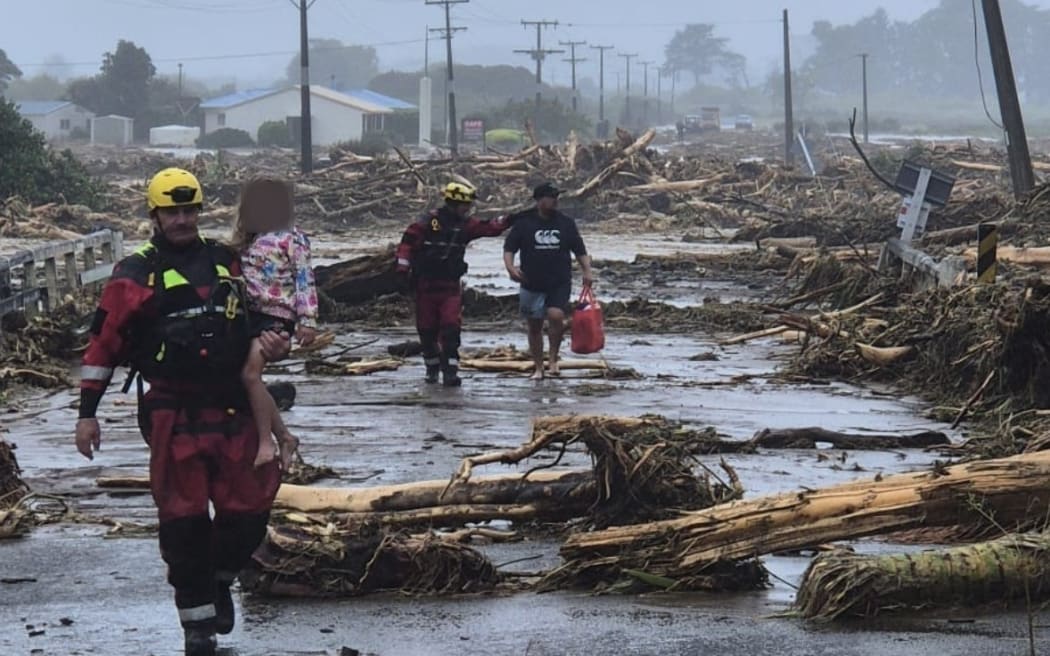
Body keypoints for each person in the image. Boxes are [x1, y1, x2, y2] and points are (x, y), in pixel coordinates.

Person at [75, 167, 290, 656]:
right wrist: (87, 414)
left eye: (190, 209)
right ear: (154, 214)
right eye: (172, 211)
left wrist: (275, 338)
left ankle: (220, 579)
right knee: (184, 520)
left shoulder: (228, 261)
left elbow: (260, 313)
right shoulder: (134, 273)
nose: (182, 219)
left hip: (233, 406)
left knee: (251, 507)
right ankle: (198, 628)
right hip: (173, 412)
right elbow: (102, 345)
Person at [230, 176, 318, 470]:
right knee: (249, 378)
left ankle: (267, 442)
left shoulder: (293, 238)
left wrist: (307, 320)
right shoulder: (250, 239)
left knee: (250, 376)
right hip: (250, 315)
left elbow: (305, 279)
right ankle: (284, 436)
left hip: (278, 315)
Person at [395, 182, 514, 386]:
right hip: (425, 286)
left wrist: (513, 219)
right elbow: (406, 246)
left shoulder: (465, 225)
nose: (468, 209)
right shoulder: (426, 223)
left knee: (451, 329)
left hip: (450, 287)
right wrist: (401, 272)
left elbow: (490, 228)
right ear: (453, 203)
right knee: (427, 330)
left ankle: (450, 371)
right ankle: (432, 368)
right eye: (465, 205)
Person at [503, 182, 594, 380]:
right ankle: (538, 367)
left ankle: (553, 360)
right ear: (539, 200)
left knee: (555, 316)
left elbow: (579, 250)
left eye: (556, 197)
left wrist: (587, 271)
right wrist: (510, 268)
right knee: (534, 326)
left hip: (559, 280)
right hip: (531, 281)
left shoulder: (565, 223)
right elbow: (509, 248)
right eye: (551, 197)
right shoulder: (524, 223)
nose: (555, 201)